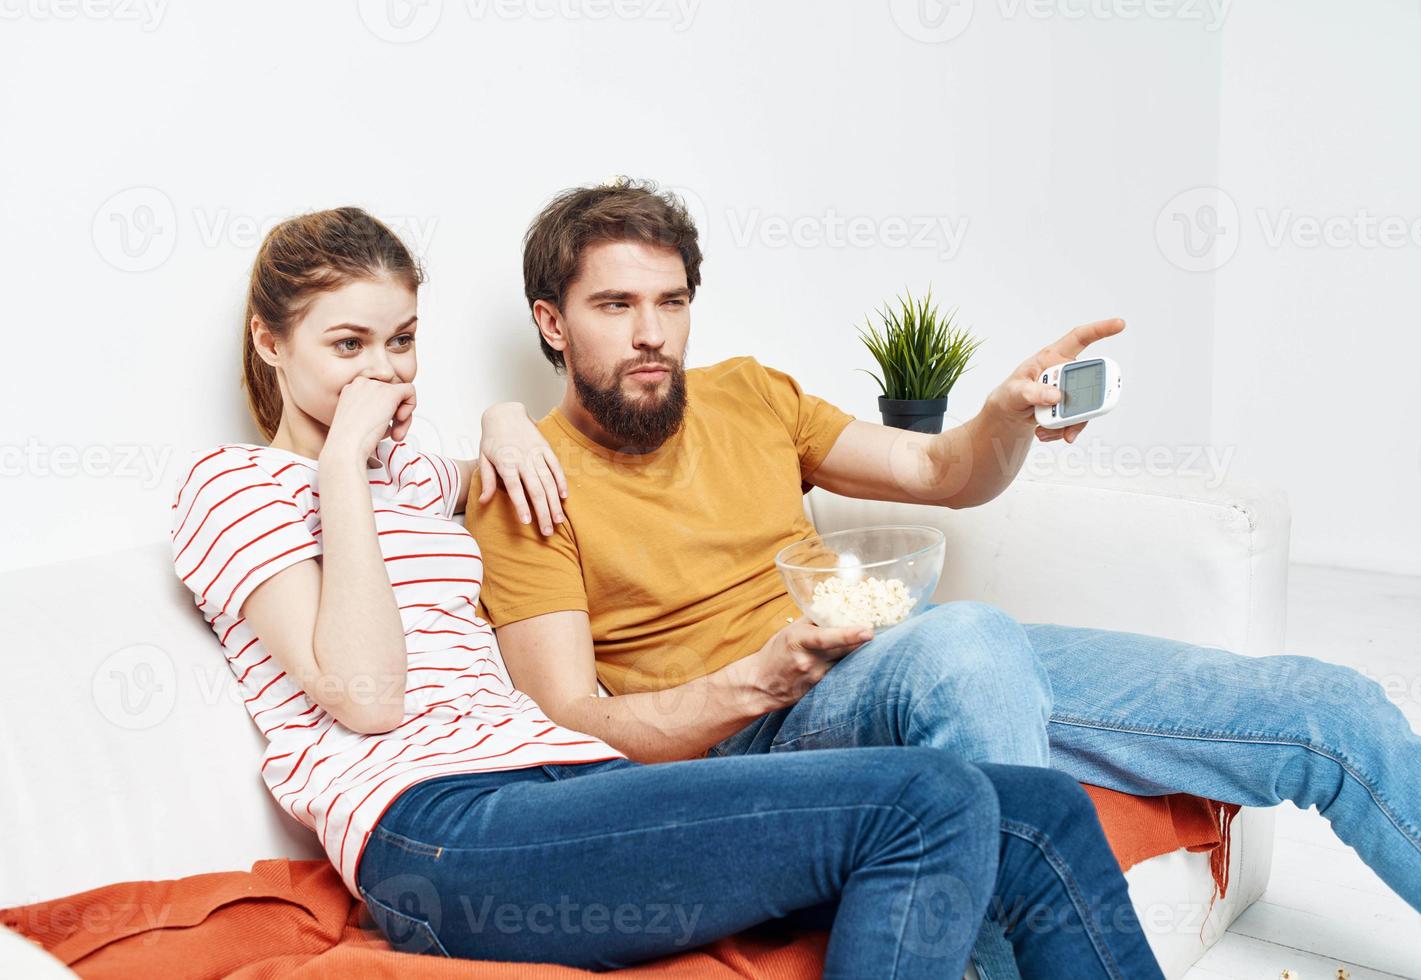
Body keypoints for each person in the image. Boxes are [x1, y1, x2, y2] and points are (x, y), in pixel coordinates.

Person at [167, 206, 1163, 978]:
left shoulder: (414, 479)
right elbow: (368, 692)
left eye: (401, 341)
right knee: (928, 794)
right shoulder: (232, 487)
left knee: (1032, 807)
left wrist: (502, 414)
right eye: (348, 346)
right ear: (269, 341)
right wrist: (339, 457)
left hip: (573, 787)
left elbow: (493, 461)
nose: (382, 374)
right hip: (437, 832)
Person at [469, 179, 1421, 927]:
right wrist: (757, 681)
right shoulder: (526, 483)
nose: (650, 334)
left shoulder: (747, 393)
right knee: (963, 643)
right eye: (615, 305)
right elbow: (572, 721)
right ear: (553, 322)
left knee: (1322, 705)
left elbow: (937, 469)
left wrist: (1002, 417)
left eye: (670, 301)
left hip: (908, 661)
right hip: (757, 730)